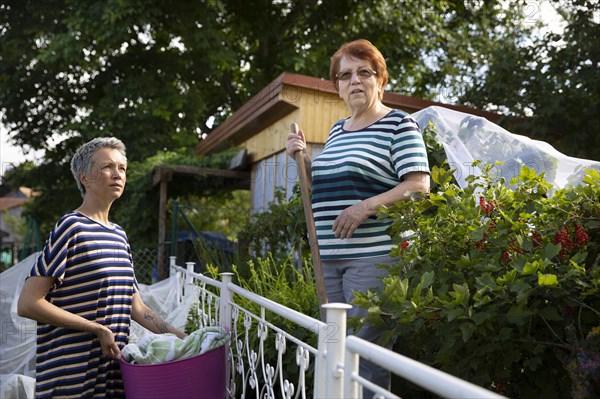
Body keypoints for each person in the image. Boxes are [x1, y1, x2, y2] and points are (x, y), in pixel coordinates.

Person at [286, 39, 430, 393]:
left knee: (366, 353)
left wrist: (366, 206)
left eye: (363, 72)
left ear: (380, 80)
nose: (354, 81)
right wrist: (301, 160)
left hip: (373, 257)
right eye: (345, 75)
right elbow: (321, 187)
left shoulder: (399, 124)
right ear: (337, 86)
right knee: (334, 348)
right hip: (329, 259)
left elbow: (418, 185)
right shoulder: (336, 130)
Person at [17, 137, 186, 398]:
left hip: (111, 374)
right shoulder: (71, 227)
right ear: (84, 177)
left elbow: (137, 308)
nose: (117, 173)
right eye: (107, 166)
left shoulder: (119, 236)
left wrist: (184, 338)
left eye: (122, 168)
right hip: (70, 375)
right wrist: (96, 328)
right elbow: (28, 303)